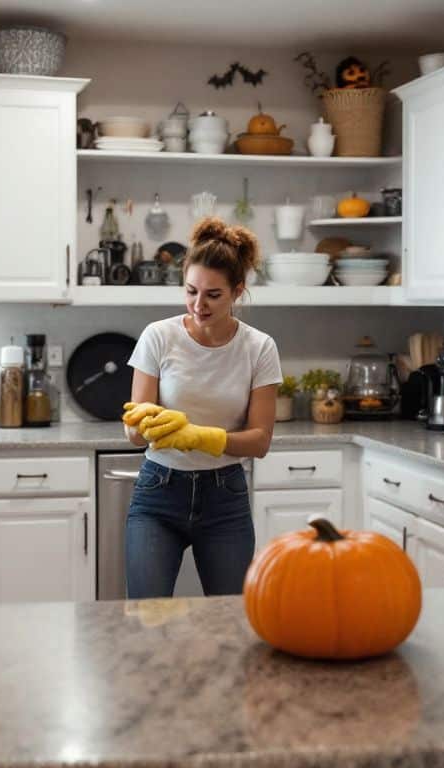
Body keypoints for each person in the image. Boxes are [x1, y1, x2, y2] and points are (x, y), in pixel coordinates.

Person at [120, 217, 282, 598]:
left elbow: (259, 441)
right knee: (147, 616)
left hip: (224, 496)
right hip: (158, 491)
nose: (198, 304)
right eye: (191, 291)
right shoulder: (158, 337)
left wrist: (199, 437)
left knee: (232, 621)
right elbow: (132, 432)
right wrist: (144, 423)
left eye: (213, 294)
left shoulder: (259, 348)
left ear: (237, 292)